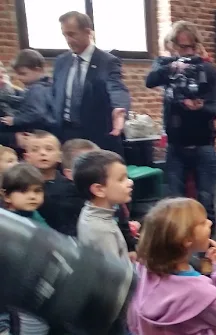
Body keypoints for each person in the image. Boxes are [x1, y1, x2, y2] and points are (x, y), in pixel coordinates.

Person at [146, 20, 216, 234]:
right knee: (175, 203)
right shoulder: (166, 65)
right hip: (176, 144)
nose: (185, 51)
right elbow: (149, 81)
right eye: (180, 46)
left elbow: (215, 109)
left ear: (196, 45)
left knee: (206, 199)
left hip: (203, 142)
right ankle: (179, 246)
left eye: (189, 47)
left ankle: (207, 248)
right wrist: (172, 67)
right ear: (172, 45)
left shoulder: (207, 69)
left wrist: (198, 107)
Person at [128, 198, 216, 334]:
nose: (210, 222)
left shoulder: (142, 268)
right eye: (203, 223)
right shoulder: (198, 291)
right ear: (186, 239)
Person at [52, 11, 130, 155]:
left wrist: (119, 109)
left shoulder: (107, 61)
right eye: (64, 35)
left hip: (95, 136)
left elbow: (116, 87)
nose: (68, 40)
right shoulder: (61, 61)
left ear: (88, 32)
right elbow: (54, 95)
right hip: (65, 134)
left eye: (72, 34)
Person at [0, 163, 50, 335]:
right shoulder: (6, 223)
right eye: (24, 191)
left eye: (37, 191)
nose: (32, 196)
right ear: (6, 196)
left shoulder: (35, 216)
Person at [74, 150, 133, 264]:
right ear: (99, 189)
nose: (130, 182)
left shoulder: (92, 211)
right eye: (121, 179)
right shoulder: (100, 231)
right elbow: (114, 275)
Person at [0, 49, 54, 139]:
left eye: (23, 73)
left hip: (41, 132)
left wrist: (15, 120)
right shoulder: (47, 86)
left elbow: (37, 113)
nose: (18, 77)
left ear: (38, 70)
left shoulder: (37, 89)